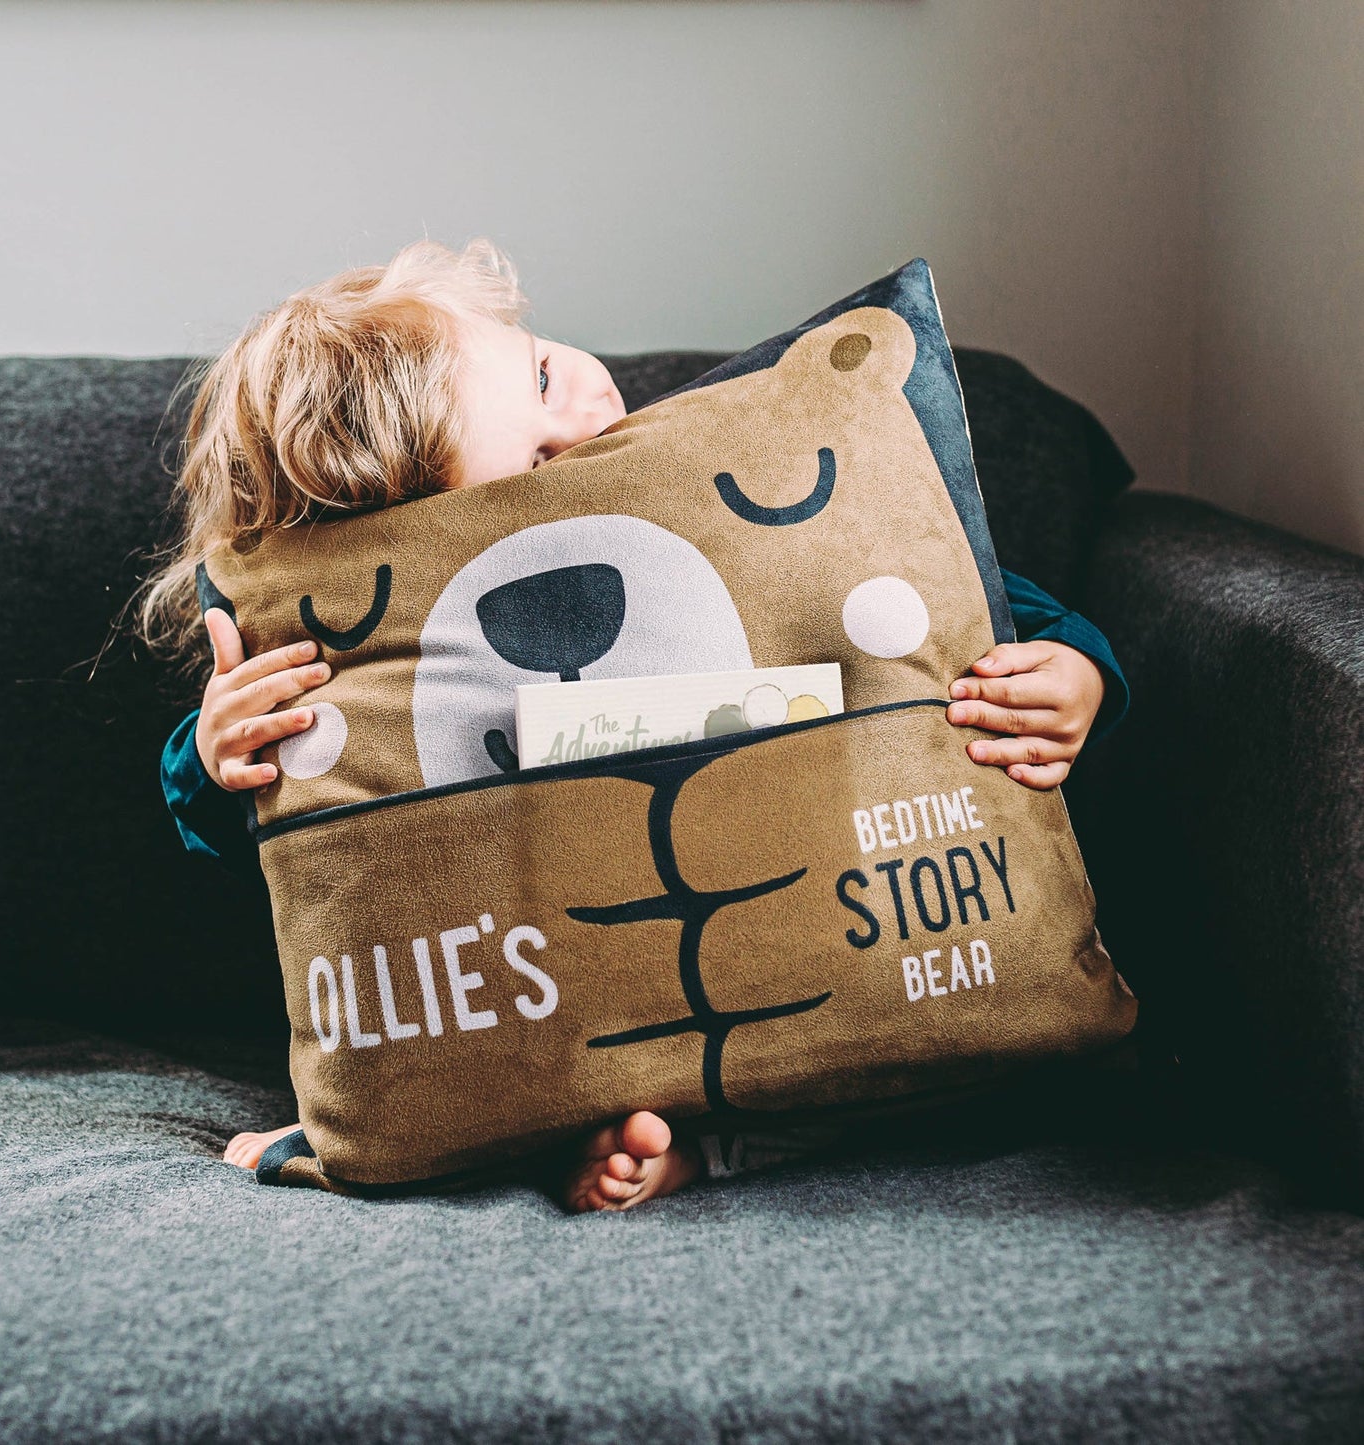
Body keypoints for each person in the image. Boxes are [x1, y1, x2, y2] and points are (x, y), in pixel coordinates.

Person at [144, 240, 1128, 1212]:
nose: (581, 419)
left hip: (795, 902)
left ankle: (702, 1141)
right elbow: (305, 858)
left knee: (857, 1019)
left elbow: (966, 593)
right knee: (542, 1060)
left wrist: (1078, 671)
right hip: (563, 985)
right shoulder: (418, 654)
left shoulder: (715, 478)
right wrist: (217, 751)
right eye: (532, 465)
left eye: (536, 371)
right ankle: (667, 1148)